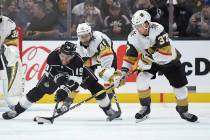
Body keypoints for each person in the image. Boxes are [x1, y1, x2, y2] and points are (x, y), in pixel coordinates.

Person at [114, 10, 198, 123]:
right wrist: (123, 72)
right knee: (141, 79)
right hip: (149, 60)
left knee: (180, 88)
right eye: (135, 26)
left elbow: (165, 53)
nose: (137, 29)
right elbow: (130, 56)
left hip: (169, 59)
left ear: (147, 23)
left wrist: (144, 61)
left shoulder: (158, 29)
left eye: (139, 26)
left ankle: (183, 111)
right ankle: (145, 107)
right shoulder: (133, 37)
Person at [2, 41, 120, 121]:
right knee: (37, 91)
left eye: (68, 57)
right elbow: (49, 74)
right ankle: (17, 111)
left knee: (96, 88)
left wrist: (65, 89)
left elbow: (76, 80)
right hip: (57, 74)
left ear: (73, 55)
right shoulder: (53, 57)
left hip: (76, 74)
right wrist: (59, 81)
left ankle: (108, 109)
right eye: (63, 56)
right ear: (59, 52)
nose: (64, 59)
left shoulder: (77, 61)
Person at [75, 23, 118, 102]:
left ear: (91, 33)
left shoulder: (99, 39)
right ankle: (69, 100)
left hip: (107, 52)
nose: (84, 39)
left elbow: (107, 58)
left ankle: (109, 96)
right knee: (80, 76)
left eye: (86, 36)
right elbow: (78, 64)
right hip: (91, 56)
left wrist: (108, 75)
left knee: (107, 74)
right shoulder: (78, 46)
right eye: (81, 36)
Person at [0, 6, 24, 110]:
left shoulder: (8, 23)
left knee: (13, 56)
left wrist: (4, 48)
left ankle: (11, 99)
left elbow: (13, 44)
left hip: (1, 55)